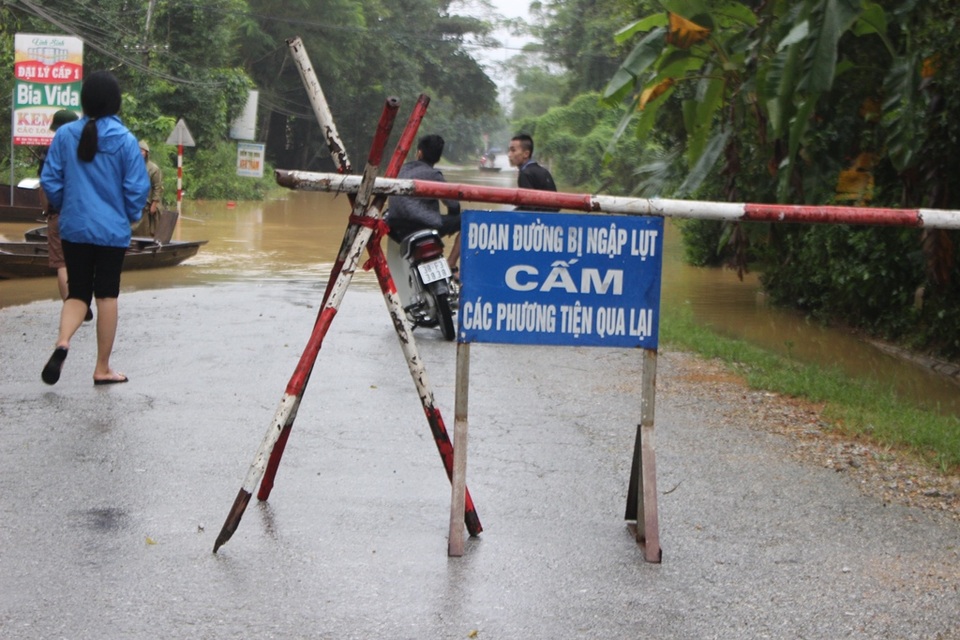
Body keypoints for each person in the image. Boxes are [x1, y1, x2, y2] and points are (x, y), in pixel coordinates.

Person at [39, 70, 151, 386]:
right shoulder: (126, 141)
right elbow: (136, 189)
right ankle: (102, 368)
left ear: (84, 101)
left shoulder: (64, 135)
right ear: (115, 104)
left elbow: (50, 180)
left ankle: (63, 342)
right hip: (111, 232)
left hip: (74, 227)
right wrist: (128, 216)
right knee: (106, 296)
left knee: (77, 293)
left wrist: (66, 206)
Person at [38, 109, 91, 321]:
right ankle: (84, 305)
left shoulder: (49, 152)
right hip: (82, 213)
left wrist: (51, 209)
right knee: (82, 262)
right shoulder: (86, 150)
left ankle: (72, 309)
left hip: (59, 213)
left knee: (62, 264)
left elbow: (45, 187)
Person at [385, 134, 461, 270]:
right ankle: (451, 263)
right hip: (423, 226)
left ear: (419, 153)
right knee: (468, 220)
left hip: (395, 227)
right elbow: (454, 205)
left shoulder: (402, 170)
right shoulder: (435, 176)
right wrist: (452, 216)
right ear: (438, 158)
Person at [507, 133, 560, 212]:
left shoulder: (525, 174)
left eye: (513, 150)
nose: (509, 155)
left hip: (536, 222)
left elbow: (528, 207)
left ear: (526, 154)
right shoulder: (544, 171)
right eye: (509, 150)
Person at [135, 139, 164, 238]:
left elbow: (157, 187)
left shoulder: (153, 169)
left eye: (141, 151)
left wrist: (154, 204)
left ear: (146, 153)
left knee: (148, 230)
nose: (139, 153)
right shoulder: (131, 166)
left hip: (147, 204)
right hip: (134, 203)